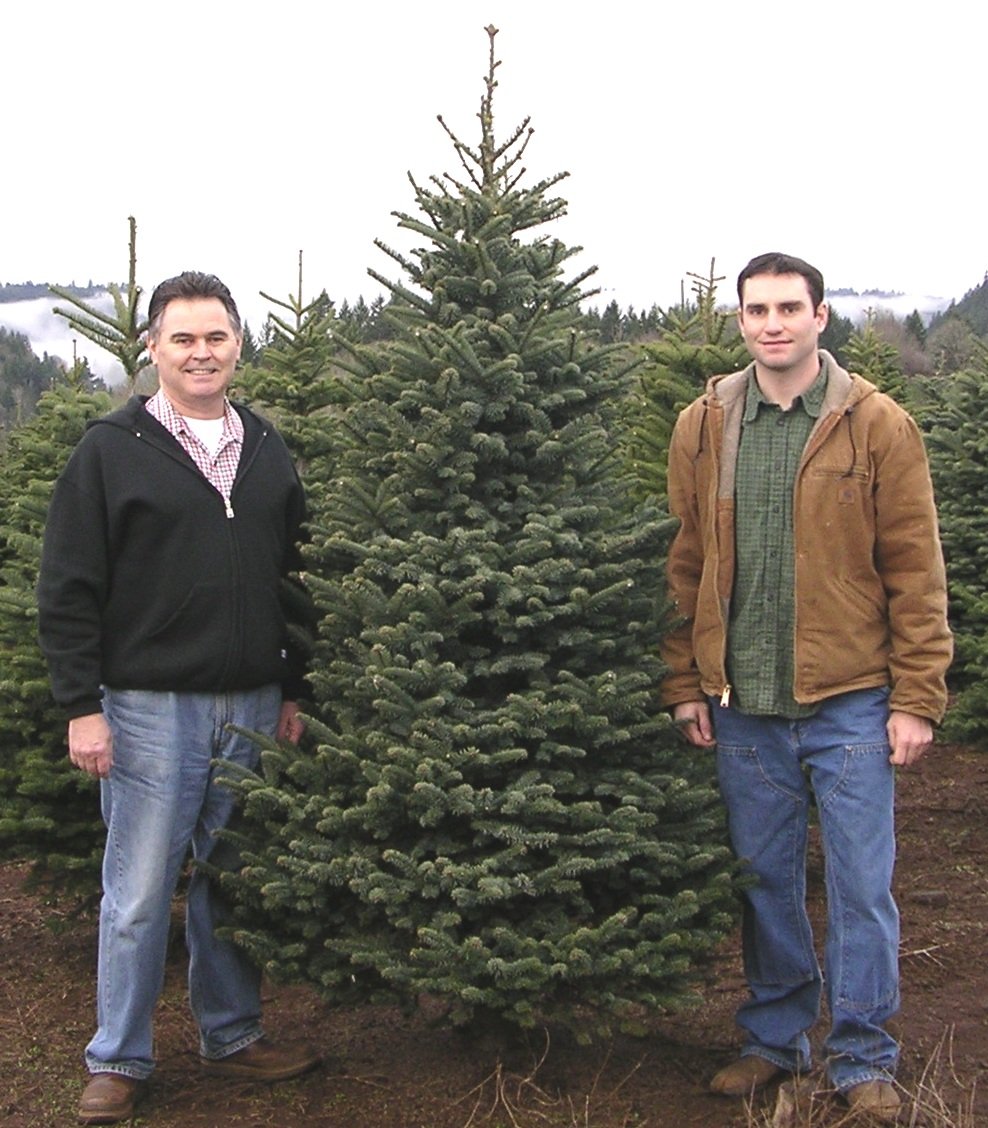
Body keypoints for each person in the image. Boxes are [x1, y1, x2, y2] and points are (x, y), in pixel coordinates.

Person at [661, 252, 952, 1122]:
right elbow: (684, 564)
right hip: (741, 702)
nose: (773, 323)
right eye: (757, 310)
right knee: (765, 879)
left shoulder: (876, 424)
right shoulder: (705, 423)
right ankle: (774, 1038)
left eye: (790, 307)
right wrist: (684, 680)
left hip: (853, 697)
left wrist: (916, 697)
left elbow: (915, 567)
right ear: (741, 322)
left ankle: (864, 1056)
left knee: (862, 885)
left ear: (822, 317)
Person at [38, 271, 320, 1125]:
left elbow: (298, 579)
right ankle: (117, 1058)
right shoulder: (110, 449)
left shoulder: (267, 449)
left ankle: (232, 1036)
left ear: (240, 345)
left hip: (254, 700)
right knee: (136, 889)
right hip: (146, 708)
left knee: (232, 881)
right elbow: (69, 587)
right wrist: (81, 705)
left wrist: (295, 687)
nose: (202, 354)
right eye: (184, 339)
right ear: (152, 347)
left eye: (217, 338)